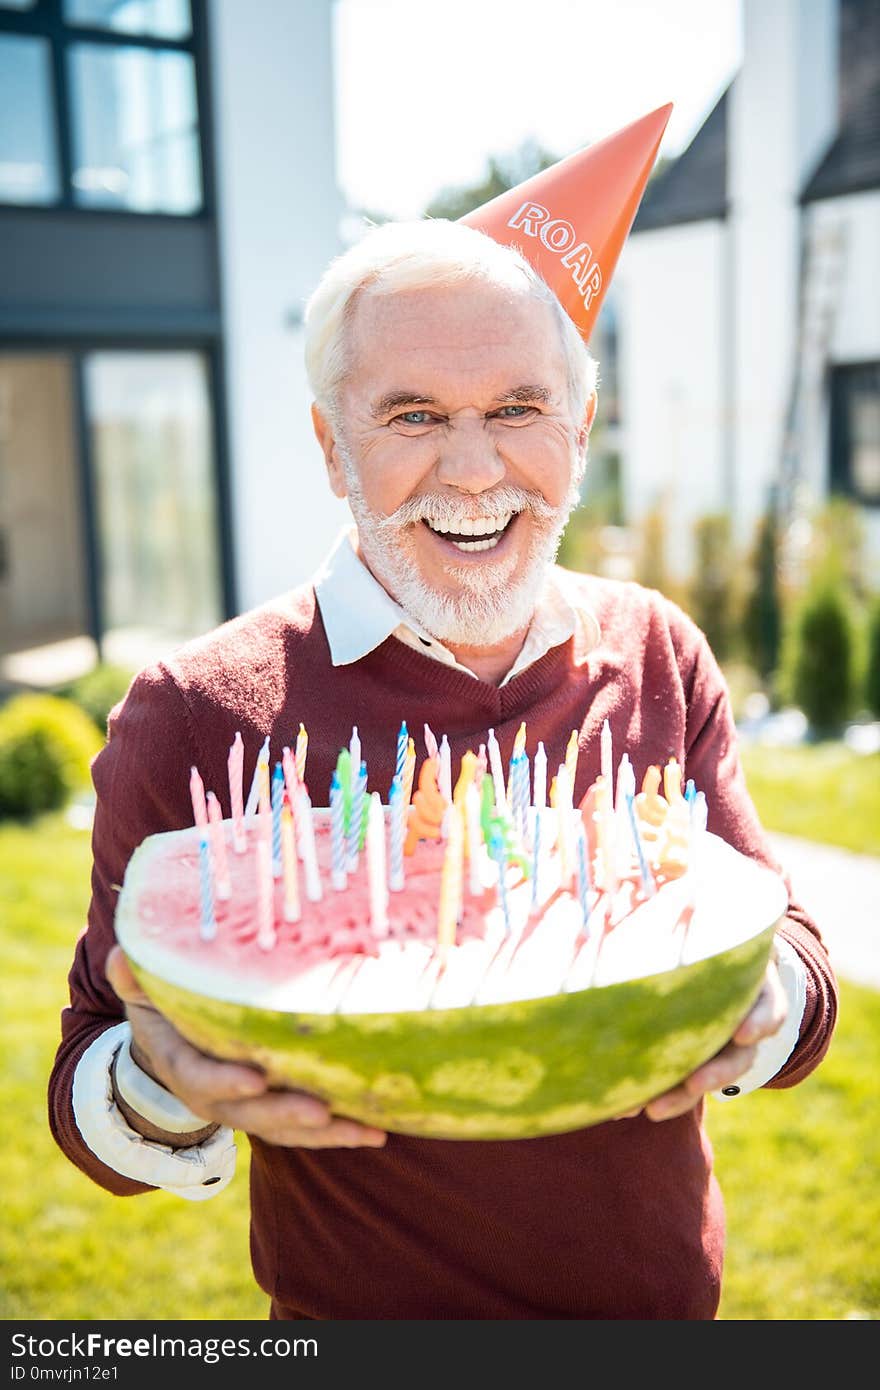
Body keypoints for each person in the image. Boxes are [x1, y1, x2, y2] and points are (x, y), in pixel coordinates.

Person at [48, 214, 837, 1321]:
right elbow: (90, 1080)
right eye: (411, 415)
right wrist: (158, 1082)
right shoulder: (195, 711)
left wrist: (767, 1001)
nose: (473, 470)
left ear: (581, 424)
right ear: (330, 446)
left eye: (518, 408)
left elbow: (792, 948)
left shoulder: (659, 650)